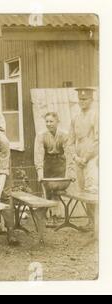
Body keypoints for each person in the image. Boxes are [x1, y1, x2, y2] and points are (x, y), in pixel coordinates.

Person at [34, 112, 75, 221]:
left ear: (57, 122)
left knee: (57, 191)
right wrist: (40, 172)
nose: (49, 124)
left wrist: (70, 172)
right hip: (48, 163)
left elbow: (69, 154)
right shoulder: (41, 135)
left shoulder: (64, 135)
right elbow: (38, 154)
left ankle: (56, 215)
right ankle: (48, 215)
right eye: (47, 121)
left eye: (51, 121)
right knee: (47, 190)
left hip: (60, 163)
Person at [69, 87, 99, 232]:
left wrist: (86, 158)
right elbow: (70, 141)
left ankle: (100, 225)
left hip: (93, 159)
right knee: (83, 190)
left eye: (85, 99)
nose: (82, 101)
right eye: (80, 99)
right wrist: (75, 157)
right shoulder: (75, 117)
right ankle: (91, 222)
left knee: (93, 190)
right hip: (79, 159)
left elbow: (98, 140)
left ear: (91, 99)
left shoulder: (96, 115)